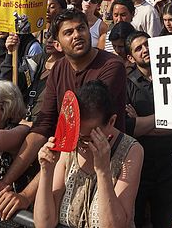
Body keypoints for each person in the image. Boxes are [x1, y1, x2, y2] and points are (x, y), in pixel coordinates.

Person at [0, 10, 128, 222]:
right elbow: (44, 125)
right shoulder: (58, 69)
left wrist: (25, 196)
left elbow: (75, 132)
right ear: (57, 44)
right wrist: (6, 181)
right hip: (68, 160)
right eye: (68, 32)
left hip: (106, 161)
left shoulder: (112, 66)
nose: (77, 35)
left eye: (81, 28)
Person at [34, 80, 143, 228]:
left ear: (111, 121)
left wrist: (103, 171)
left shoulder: (131, 150)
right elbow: (44, 223)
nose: (81, 144)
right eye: (77, 136)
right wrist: (46, 171)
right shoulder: (70, 147)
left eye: (88, 138)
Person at [125, 31, 172, 228]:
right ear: (130, 57)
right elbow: (130, 129)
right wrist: (165, 118)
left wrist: (143, 123)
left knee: (167, 221)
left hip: (171, 165)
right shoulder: (126, 84)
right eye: (138, 48)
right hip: (138, 168)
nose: (145, 50)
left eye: (147, 44)